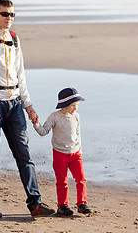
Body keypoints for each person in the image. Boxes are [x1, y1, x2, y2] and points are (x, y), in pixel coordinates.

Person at [0, 0, 55, 218]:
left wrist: (28, 105)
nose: (10, 18)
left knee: (24, 156)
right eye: (5, 14)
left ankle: (35, 204)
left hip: (15, 104)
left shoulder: (15, 39)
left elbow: (21, 75)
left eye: (12, 15)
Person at [33, 87, 93, 216]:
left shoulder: (76, 117)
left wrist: (79, 149)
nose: (75, 108)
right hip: (60, 154)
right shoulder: (55, 117)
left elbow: (78, 134)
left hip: (76, 154)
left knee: (81, 179)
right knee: (62, 181)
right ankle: (62, 206)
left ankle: (82, 204)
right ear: (64, 104)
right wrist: (36, 123)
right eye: (72, 106)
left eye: (76, 105)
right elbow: (43, 131)